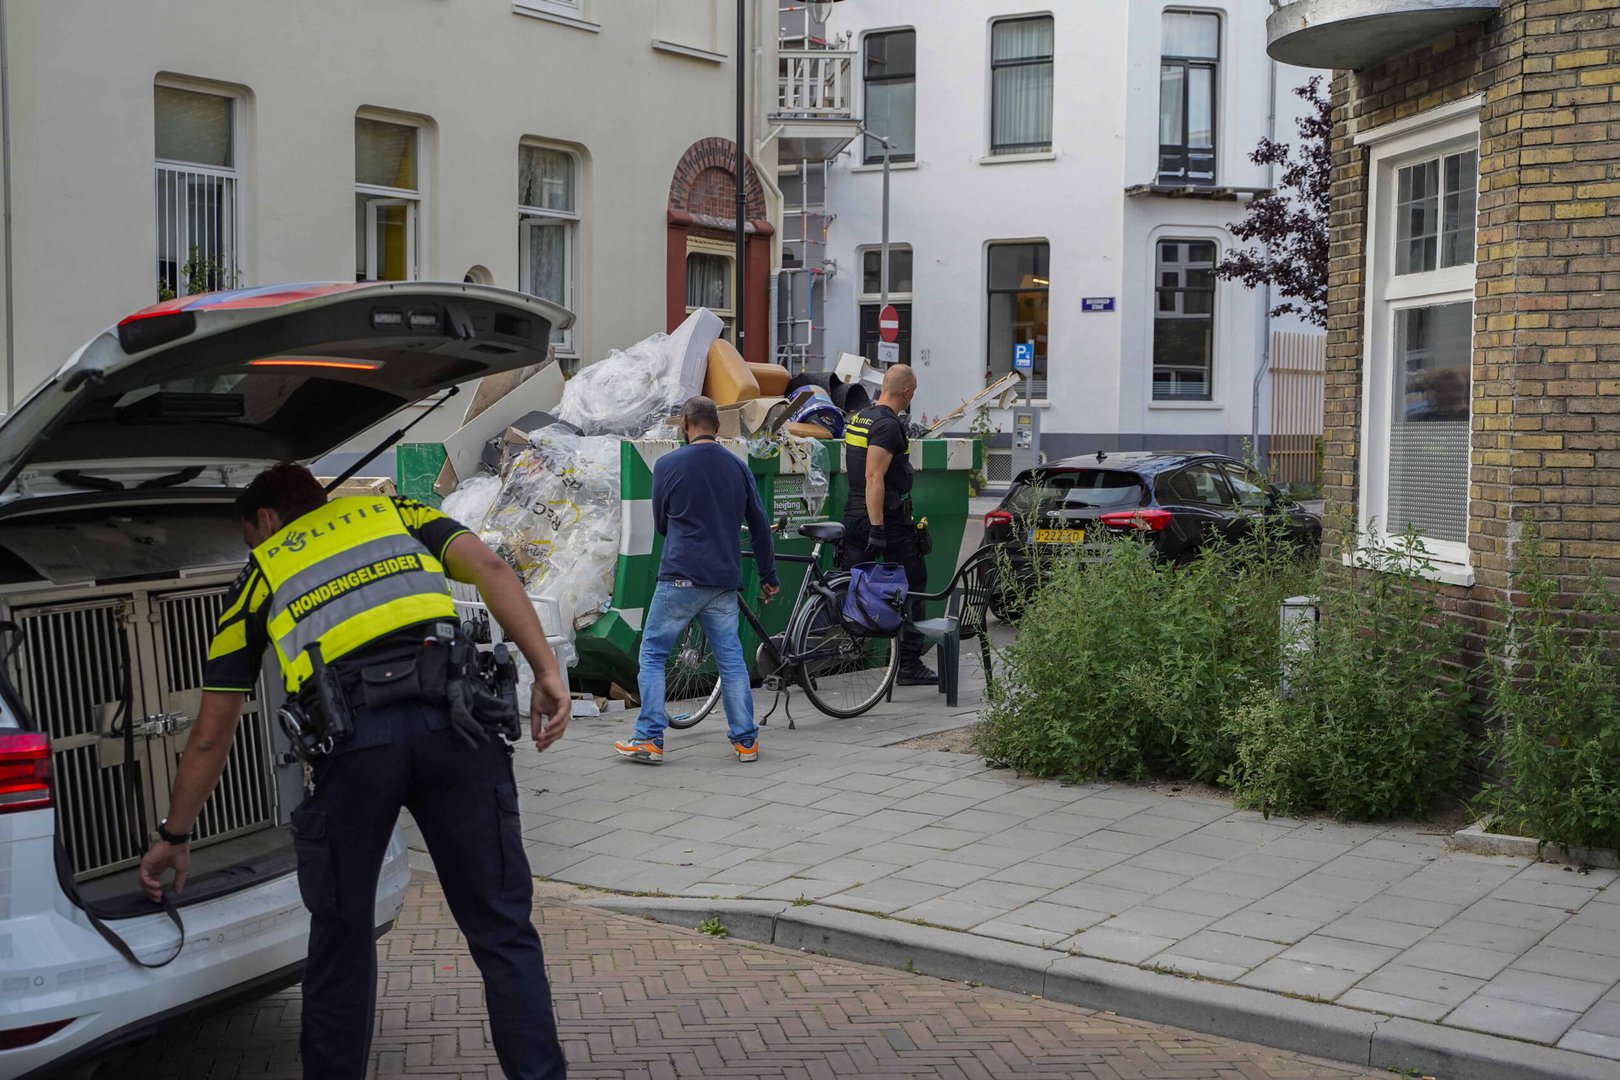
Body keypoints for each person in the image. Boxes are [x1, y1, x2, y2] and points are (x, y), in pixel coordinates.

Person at [137, 464, 571, 1080]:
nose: (254, 547)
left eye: (250, 536)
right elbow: (494, 570)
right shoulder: (401, 514)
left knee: (341, 944)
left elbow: (211, 734)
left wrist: (174, 837)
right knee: (503, 930)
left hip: (356, 747)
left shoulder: (260, 574)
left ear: (264, 519)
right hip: (459, 730)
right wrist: (548, 671)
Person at [614, 396, 779, 765]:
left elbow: (660, 524)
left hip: (680, 578)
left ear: (685, 422)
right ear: (717, 426)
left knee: (654, 654)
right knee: (731, 661)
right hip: (723, 580)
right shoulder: (738, 468)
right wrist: (769, 576)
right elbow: (760, 526)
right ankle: (746, 741)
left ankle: (649, 739)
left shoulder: (668, 465)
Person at [842, 364, 937, 686]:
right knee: (915, 582)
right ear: (907, 392)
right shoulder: (888, 425)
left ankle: (844, 648)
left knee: (853, 585)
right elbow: (873, 476)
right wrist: (878, 528)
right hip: (884, 518)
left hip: (853, 514)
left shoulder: (860, 418)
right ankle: (908, 664)